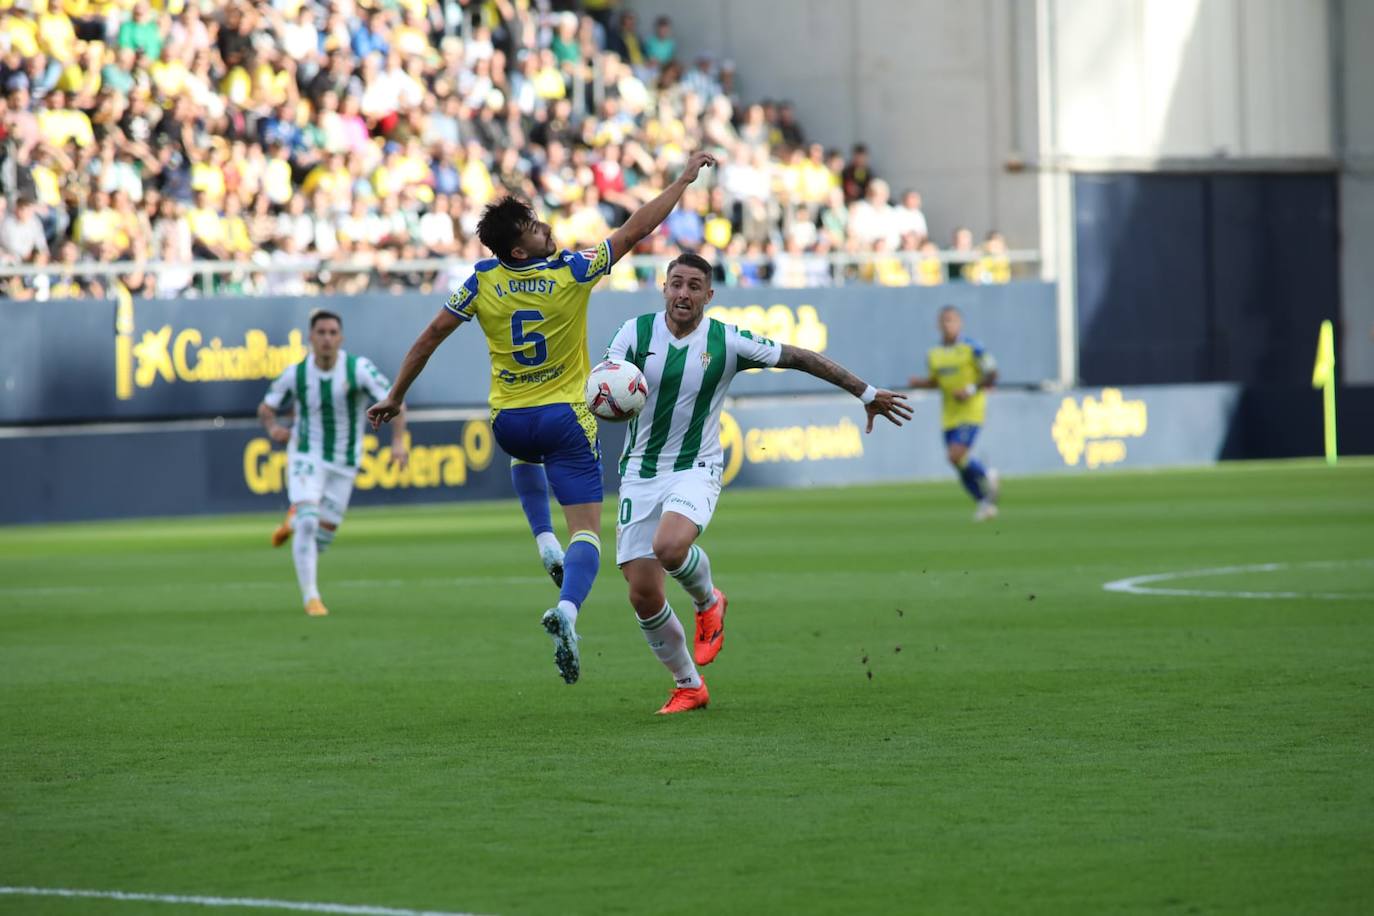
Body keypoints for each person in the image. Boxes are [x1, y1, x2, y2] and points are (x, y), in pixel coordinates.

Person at [366, 152, 718, 686]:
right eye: (532, 226)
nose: (544, 226)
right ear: (518, 248)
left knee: (523, 457)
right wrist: (682, 180)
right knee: (589, 534)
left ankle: (541, 540)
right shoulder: (570, 272)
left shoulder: (480, 282)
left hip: (509, 420)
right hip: (567, 418)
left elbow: (430, 336)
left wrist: (396, 394)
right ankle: (569, 610)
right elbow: (638, 227)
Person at [603, 252, 912, 714]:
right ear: (663, 288)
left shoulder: (726, 341)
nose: (683, 294)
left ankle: (709, 600)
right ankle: (689, 685)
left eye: (693, 287)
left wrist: (866, 393)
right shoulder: (633, 332)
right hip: (639, 472)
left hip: (695, 466)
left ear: (709, 295)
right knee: (642, 594)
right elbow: (606, 382)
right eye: (675, 284)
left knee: (669, 548)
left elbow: (801, 358)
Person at [259, 310, 409, 616]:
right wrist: (273, 429)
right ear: (311, 338)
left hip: (345, 461)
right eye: (321, 333)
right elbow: (266, 407)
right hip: (306, 454)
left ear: (340, 338)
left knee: (322, 538)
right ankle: (311, 598)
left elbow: (396, 401)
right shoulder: (296, 374)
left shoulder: (358, 369)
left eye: (332, 333)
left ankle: (293, 521)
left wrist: (398, 442)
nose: (326, 338)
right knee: (309, 521)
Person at [907, 306, 1000, 521]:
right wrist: (919, 383)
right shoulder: (934, 354)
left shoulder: (973, 348)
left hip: (971, 410)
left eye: (952, 321)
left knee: (955, 455)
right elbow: (935, 382)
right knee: (957, 462)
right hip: (949, 414)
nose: (948, 325)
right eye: (944, 321)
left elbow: (993, 373)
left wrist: (970, 389)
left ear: (960, 323)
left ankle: (987, 475)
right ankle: (984, 501)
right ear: (939, 325)